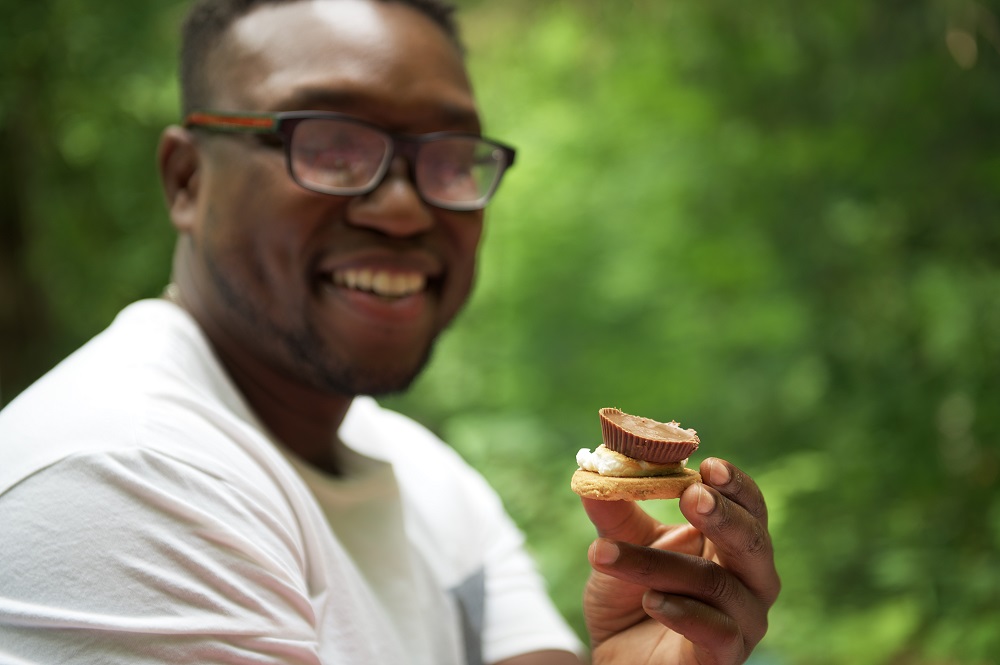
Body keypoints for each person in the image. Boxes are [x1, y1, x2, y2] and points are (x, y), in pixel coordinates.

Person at [0, 0, 780, 662]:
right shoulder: (123, 470)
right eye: (330, 145)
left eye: (447, 156)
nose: (406, 207)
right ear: (186, 180)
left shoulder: (433, 482)